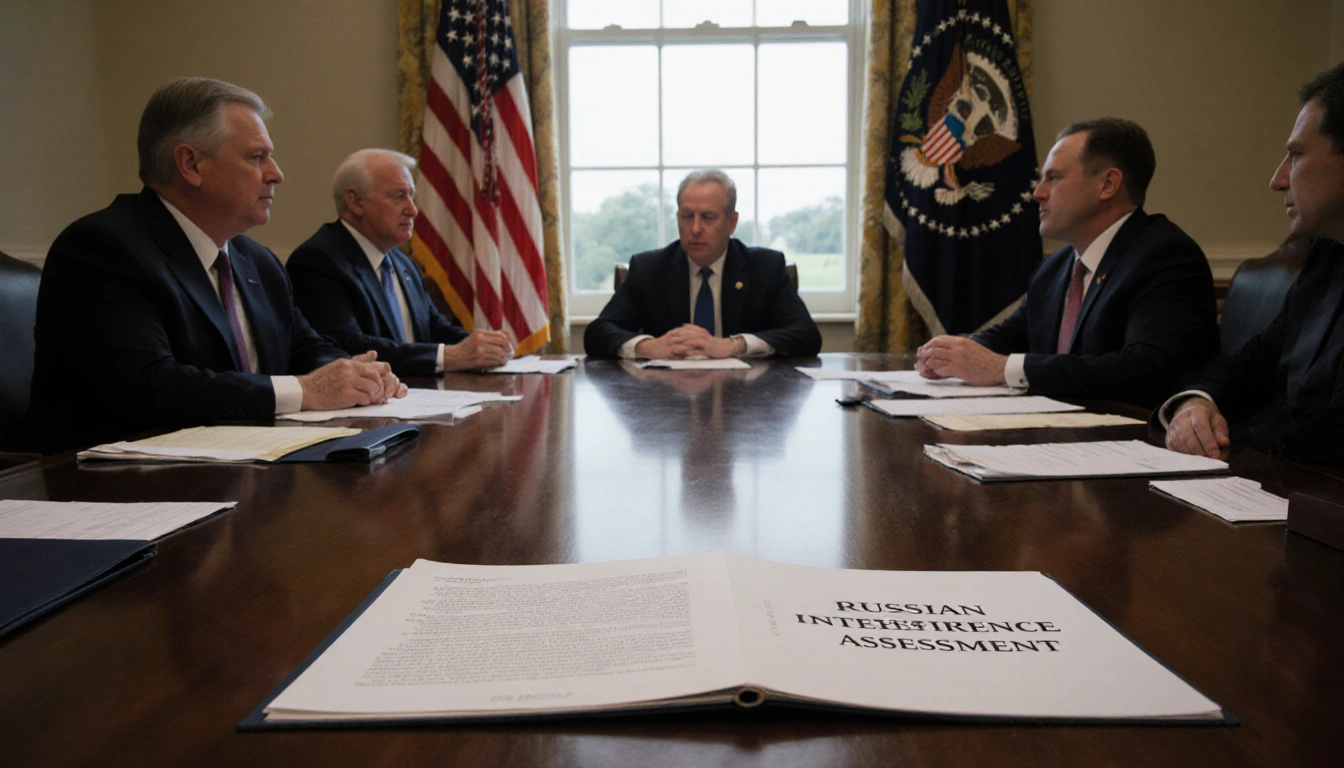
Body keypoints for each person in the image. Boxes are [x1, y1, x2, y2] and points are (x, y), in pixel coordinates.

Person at [27, 77, 404, 453]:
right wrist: (305, 390)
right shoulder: (103, 248)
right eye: (257, 157)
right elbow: (145, 385)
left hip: (250, 466)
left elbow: (307, 348)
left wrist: (355, 375)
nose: (276, 173)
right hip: (120, 479)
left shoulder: (258, 262)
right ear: (190, 164)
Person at [915, 118, 1218, 408]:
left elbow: (1146, 369)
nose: (1038, 193)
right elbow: (1010, 335)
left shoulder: (1165, 256)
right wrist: (952, 354)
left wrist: (1000, 368)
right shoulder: (1057, 267)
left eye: (1054, 178)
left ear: (1108, 184)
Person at [1162, 62, 1344, 465]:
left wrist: (1220, 443)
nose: (1278, 180)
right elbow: (1255, 362)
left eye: (1296, 155)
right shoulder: (1329, 254)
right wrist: (1197, 404)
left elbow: (1331, 434)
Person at [287, 149, 513, 376]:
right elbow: (347, 346)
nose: (413, 210)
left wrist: (480, 346)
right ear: (355, 202)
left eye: (412, 197)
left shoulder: (402, 262)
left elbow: (433, 326)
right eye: (399, 196)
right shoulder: (317, 261)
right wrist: (448, 356)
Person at [583, 169, 822, 360]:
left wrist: (733, 345)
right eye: (687, 216)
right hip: (666, 397)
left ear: (731, 223)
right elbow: (597, 333)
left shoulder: (765, 268)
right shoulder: (650, 268)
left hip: (745, 397)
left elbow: (806, 335)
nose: (695, 229)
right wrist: (648, 347)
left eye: (708, 217)